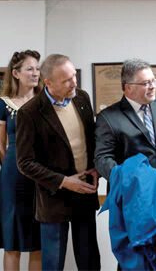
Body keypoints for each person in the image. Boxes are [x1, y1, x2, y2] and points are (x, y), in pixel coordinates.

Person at [16, 54, 100, 271]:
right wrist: (63, 181)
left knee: (90, 261)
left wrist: (96, 168)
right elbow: (25, 162)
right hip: (53, 199)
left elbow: (91, 140)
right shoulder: (29, 112)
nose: (74, 83)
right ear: (48, 83)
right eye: (67, 80)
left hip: (85, 192)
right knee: (53, 265)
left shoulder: (82, 98)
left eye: (74, 76)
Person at [95, 58, 156, 248]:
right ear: (128, 87)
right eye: (145, 83)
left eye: (153, 81)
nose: (152, 86)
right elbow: (102, 159)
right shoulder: (108, 117)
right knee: (138, 261)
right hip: (134, 202)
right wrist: (131, 180)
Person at [0, 51, 42, 270]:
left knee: (38, 241)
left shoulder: (44, 103)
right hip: (12, 176)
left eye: (37, 68)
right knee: (12, 243)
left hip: (41, 176)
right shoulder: (2, 104)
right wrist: (14, 167)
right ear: (16, 73)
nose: (35, 73)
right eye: (30, 68)